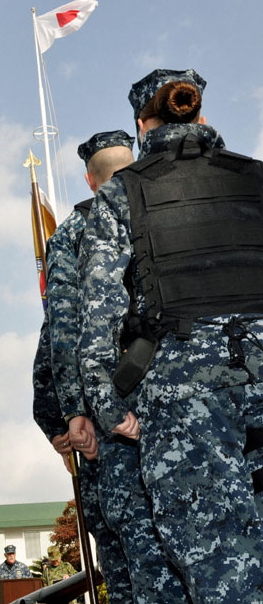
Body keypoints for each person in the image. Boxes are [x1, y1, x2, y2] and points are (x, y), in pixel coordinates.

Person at [79, 68, 263, 604]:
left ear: (142, 124)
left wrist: (113, 414)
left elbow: (98, 321)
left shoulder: (122, 193)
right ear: (201, 114)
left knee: (221, 573)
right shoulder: (257, 178)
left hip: (185, 400)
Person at [49, 131, 190, 604]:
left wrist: (72, 411)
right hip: (196, 394)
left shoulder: (75, 230)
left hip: (117, 406)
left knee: (137, 555)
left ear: (91, 180)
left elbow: (65, 329)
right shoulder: (176, 198)